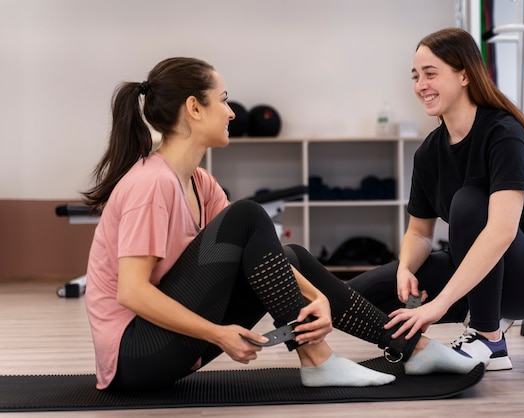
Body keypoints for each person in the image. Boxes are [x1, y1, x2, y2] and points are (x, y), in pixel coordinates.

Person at [81, 57, 482, 391]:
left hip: (170, 348)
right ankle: (318, 358)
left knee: (292, 255)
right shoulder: (151, 183)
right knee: (249, 214)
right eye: (223, 100)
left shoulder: (199, 183)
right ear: (194, 108)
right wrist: (217, 333)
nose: (232, 112)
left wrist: (317, 296)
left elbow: (265, 256)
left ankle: (412, 347)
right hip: (133, 358)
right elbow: (131, 293)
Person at [348, 27, 524, 371]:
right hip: (474, 271)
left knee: (469, 202)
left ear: (464, 74)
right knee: (356, 293)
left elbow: (501, 232)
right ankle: (408, 346)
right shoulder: (429, 152)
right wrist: (406, 268)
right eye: (416, 76)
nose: (421, 85)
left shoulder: (503, 133)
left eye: (431, 74)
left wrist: (439, 304)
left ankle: (489, 339)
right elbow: (419, 233)